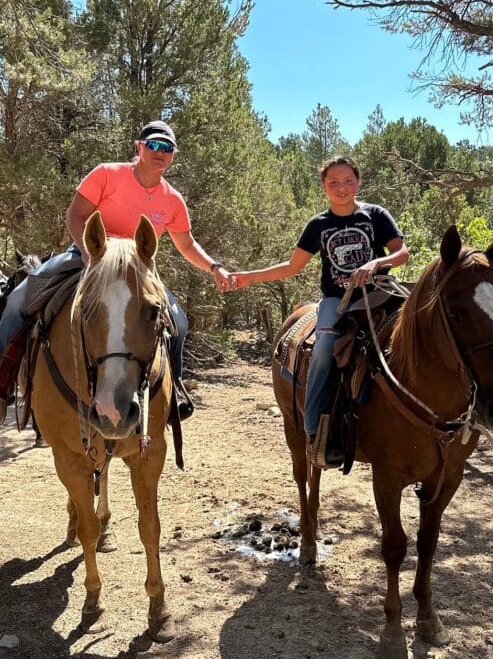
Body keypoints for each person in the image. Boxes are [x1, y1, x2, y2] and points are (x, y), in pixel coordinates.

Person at [0, 120, 234, 424]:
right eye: (153, 145)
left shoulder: (172, 199)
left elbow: (186, 244)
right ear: (139, 147)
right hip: (90, 256)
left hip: (138, 269)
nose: (160, 152)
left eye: (167, 148)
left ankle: (173, 392)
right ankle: (3, 382)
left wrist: (214, 266)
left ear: (174, 155)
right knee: (20, 299)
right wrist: (87, 253)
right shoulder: (107, 174)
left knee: (178, 322)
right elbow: (76, 215)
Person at [233, 155, 409, 464]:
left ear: (358, 182)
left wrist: (376, 263)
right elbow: (292, 266)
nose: (342, 188)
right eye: (334, 183)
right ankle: (315, 430)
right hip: (337, 301)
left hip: (380, 294)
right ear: (324, 187)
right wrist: (250, 277)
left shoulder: (376, 215)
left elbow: (401, 252)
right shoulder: (318, 225)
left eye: (348, 181)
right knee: (324, 347)